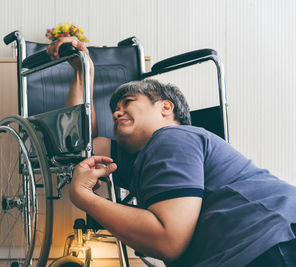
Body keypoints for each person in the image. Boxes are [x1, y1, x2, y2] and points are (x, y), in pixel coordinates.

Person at [47, 38, 296, 267]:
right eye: (115, 109)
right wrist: (83, 70)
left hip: (273, 243)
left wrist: (83, 197)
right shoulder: (140, 159)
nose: (115, 112)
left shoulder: (172, 137)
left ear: (166, 107)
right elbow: (81, 146)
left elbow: (168, 240)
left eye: (128, 102)